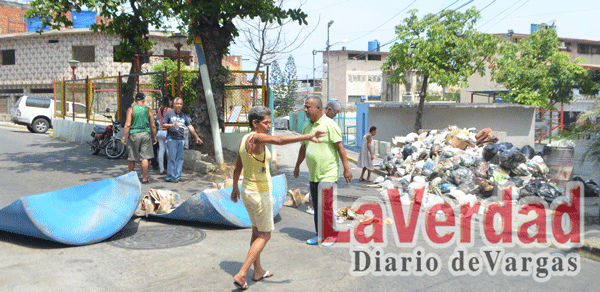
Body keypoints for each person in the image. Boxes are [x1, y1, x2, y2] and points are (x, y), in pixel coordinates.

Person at [231, 106, 326, 290]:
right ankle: (242, 273)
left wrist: (235, 187)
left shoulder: (244, 139)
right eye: (266, 122)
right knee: (265, 235)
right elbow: (280, 139)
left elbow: (237, 167)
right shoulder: (256, 137)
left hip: (247, 191)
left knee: (256, 232)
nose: (269, 126)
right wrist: (307, 136)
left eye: (270, 122)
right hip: (259, 193)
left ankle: (257, 271)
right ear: (255, 123)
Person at [293, 96, 352, 246]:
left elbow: (340, 147)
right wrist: (297, 165)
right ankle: (320, 234)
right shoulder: (307, 127)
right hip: (314, 174)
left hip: (328, 173)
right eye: (305, 107)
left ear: (318, 108)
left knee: (325, 205)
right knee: (317, 206)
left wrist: (346, 168)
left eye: (308, 107)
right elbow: (303, 147)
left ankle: (330, 235)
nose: (305, 110)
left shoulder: (329, 125)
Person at [162, 97, 203, 183]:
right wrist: (171, 125)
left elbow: (190, 126)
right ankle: (170, 176)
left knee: (180, 158)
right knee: (172, 158)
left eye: (181, 104)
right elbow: (163, 125)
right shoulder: (169, 113)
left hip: (181, 139)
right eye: (177, 104)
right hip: (171, 138)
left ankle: (177, 176)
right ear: (174, 104)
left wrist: (196, 136)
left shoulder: (183, 116)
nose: (179, 106)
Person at [121, 92, 157, 184]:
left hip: (134, 135)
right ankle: (144, 178)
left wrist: (124, 137)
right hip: (145, 134)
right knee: (144, 157)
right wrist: (154, 136)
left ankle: (131, 178)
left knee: (132, 157)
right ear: (144, 100)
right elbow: (153, 125)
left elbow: (128, 124)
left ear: (135, 100)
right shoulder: (148, 110)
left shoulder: (131, 109)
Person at [156, 96, 173, 175]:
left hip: (159, 131)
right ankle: (170, 168)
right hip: (167, 132)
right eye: (171, 101)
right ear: (169, 100)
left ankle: (161, 169)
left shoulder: (160, 109)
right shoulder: (170, 110)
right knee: (168, 151)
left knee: (161, 151)